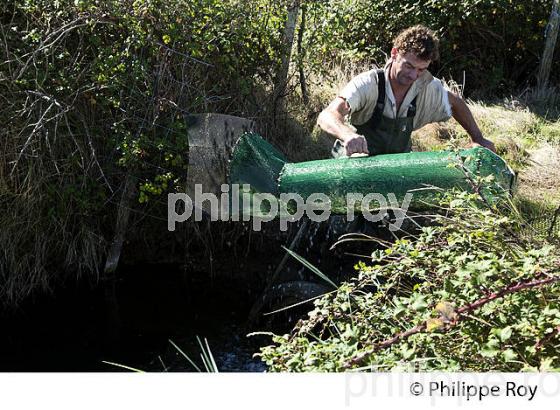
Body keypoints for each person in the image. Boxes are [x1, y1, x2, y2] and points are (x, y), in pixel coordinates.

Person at [317, 25, 496, 158]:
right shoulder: (368, 83)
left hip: (397, 168)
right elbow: (327, 116)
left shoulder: (426, 86)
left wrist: (478, 138)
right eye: (409, 66)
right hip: (354, 165)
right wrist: (347, 135)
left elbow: (455, 103)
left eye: (421, 69)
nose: (413, 75)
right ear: (394, 53)